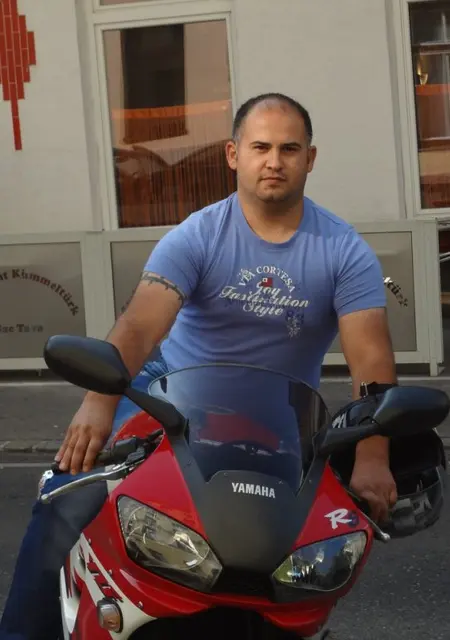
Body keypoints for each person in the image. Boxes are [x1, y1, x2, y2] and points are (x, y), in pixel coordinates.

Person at [0, 92, 398, 639]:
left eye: (289, 149)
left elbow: (371, 358)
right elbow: (140, 326)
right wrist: (97, 402)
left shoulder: (344, 251)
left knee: (319, 543)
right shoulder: (199, 234)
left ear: (310, 158)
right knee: (69, 493)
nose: (274, 161)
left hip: (282, 422)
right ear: (234, 155)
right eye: (260, 147)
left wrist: (374, 457)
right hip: (174, 404)